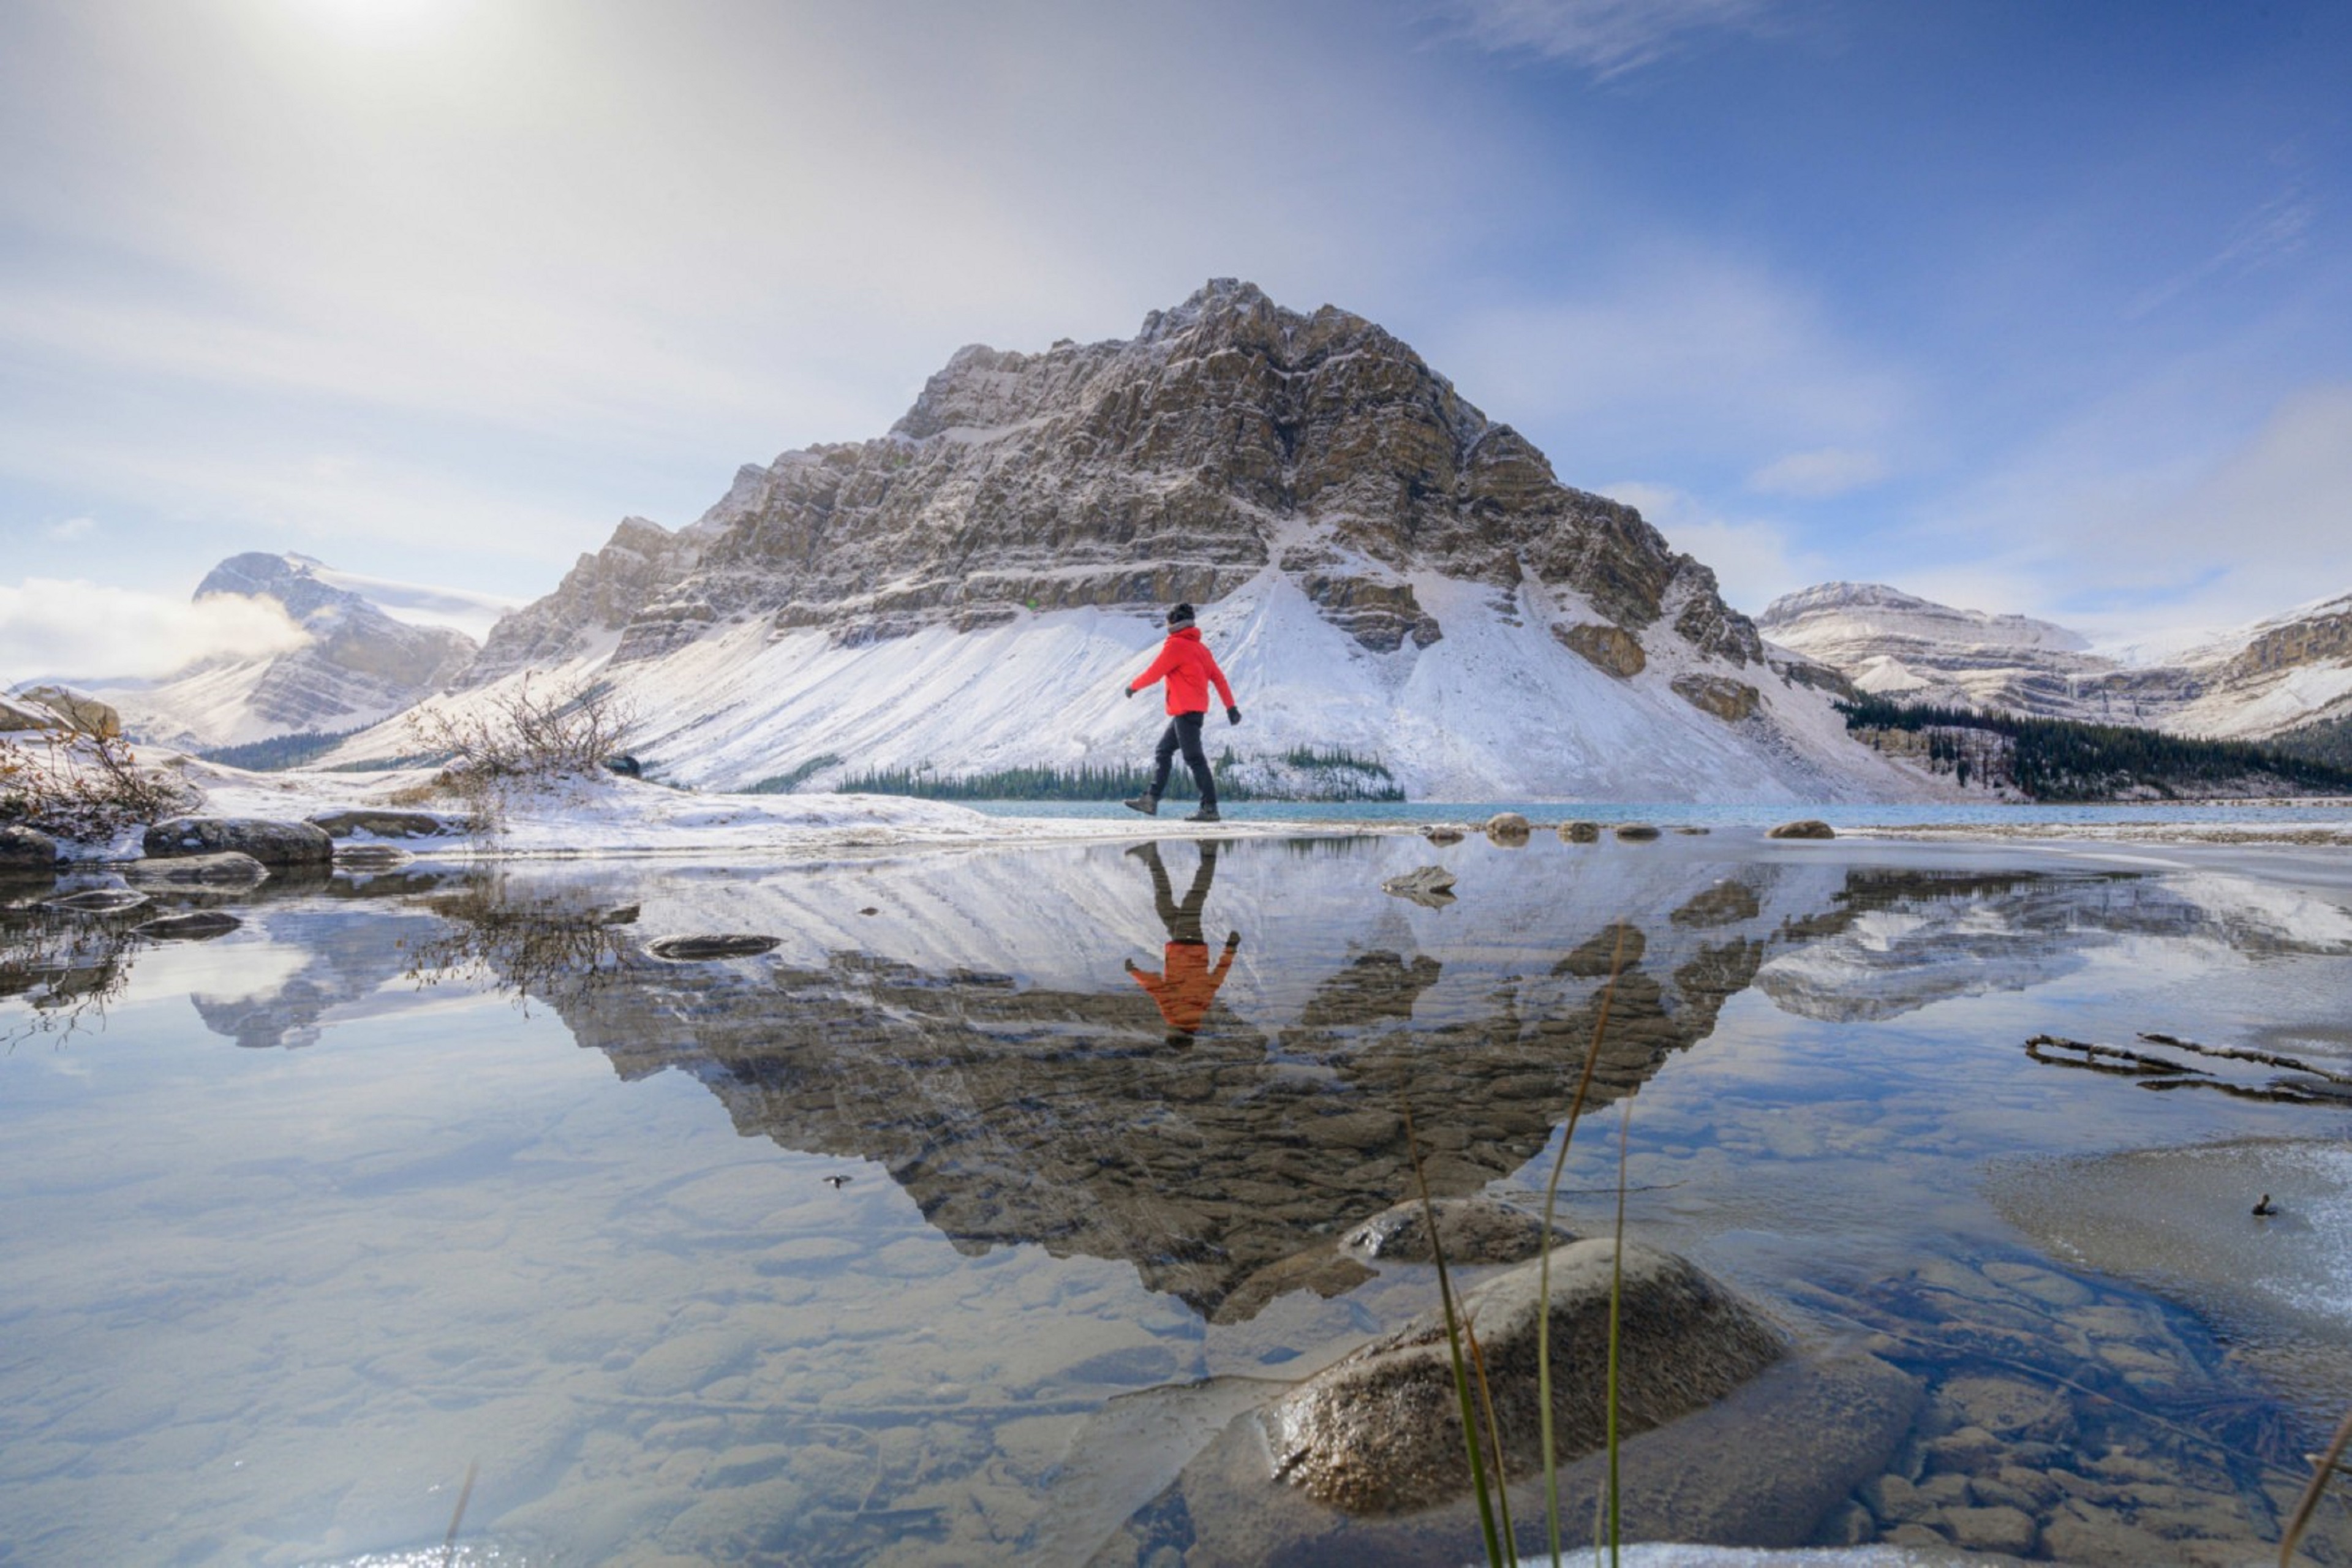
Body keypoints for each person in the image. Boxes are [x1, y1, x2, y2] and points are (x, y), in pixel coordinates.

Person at [1121, 602, 1240, 822]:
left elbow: (1155, 673)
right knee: (1163, 750)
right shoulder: (1201, 649)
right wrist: (1231, 707)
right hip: (1190, 712)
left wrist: (1133, 687)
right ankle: (1151, 799)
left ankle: (1210, 808)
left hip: (1186, 711)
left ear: (1174, 623)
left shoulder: (1176, 646)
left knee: (1194, 758)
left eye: (1168, 621)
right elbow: (1219, 679)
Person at [1123, 840, 1240, 1044]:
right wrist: (1134, 972)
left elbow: (1217, 978)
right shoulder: (1174, 1013)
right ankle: (1208, 853)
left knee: (1165, 904)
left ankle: (1152, 856)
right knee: (1195, 894)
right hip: (1184, 945)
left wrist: (1230, 949)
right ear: (1175, 1033)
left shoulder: (1201, 1007)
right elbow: (1157, 989)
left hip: (1190, 944)